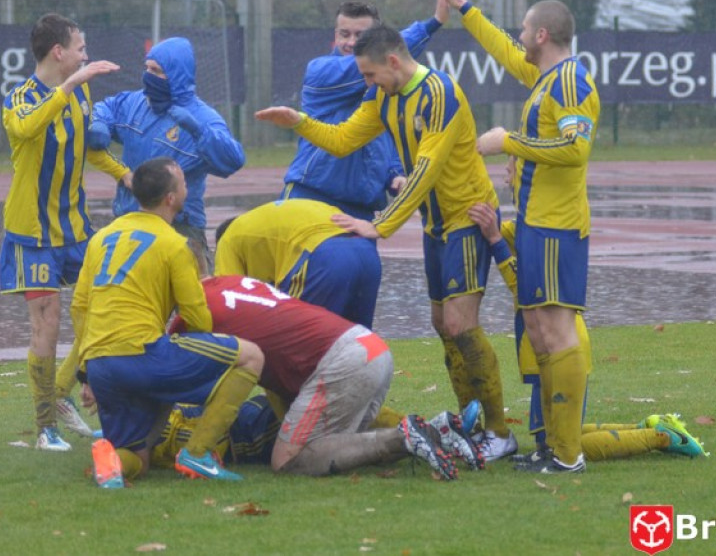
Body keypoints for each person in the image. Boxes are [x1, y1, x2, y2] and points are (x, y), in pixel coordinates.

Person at [256, 25, 517, 462]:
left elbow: (427, 169)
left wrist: (380, 225)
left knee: (460, 324)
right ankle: (469, 422)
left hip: (467, 218)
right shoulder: (383, 97)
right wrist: (300, 122)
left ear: (393, 61)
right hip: (435, 224)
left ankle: (498, 431)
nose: (366, 83)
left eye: (370, 74)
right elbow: (342, 140)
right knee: (441, 324)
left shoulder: (440, 93)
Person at [431, 0, 599, 474]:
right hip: (534, 223)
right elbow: (503, 51)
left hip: (556, 226)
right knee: (538, 331)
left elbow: (576, 148)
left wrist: (508, 142)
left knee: (556, 331)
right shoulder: (545, 77)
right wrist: (463, 7)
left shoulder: (570, 79)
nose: (520, 37)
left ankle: (568, 455)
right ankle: (551, 445)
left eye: (525, 29)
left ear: (543, 34)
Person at [168, 274, 483, 479]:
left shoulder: (193, 317)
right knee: (345, 446)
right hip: (367, 346)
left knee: (287, 461)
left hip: (342, 361)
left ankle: (403, 436)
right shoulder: (230, 282)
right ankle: (437, 430)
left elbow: (184, 388)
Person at [70, 157, 264, 482]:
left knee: (139, 459)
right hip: (143, 357)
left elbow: (79, 307)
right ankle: (198, 453)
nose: (187, 186)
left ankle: (113, 461)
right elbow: (197, 316)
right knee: (250, 356)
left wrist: (87, 369)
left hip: (101, 366)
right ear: (171, 199)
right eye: (184, 182)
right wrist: (208, 350)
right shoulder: (175, 245)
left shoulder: (101, 238)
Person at [468, 200, 708, 462]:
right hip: (551, 346)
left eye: (512, 165)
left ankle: (663, 438)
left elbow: (524, 286)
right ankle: (650, 427)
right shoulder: (531, 223)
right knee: (560, 434)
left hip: (559, 346)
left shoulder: (550, 230)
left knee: (560, 444)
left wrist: (494, 239)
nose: (506, 171)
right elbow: (500, 231)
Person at [0, 13, 132, 452]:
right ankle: (44, 429)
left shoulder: (82, 91)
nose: (86, 55)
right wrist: (71, 85)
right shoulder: (19, 98)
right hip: (32, 235)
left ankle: (60, 394)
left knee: (105, 303)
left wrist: (124, 175)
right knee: (47, 325)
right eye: (80, 47)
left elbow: (91, 151)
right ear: (59, 52)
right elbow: (27, 128)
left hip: (75, 231)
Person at [87, 36, 244, 273]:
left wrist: (199, 132)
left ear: (177, 75)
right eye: (147, 68)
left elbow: (233, 160)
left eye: (157, 71)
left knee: (197, 300)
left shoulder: (202, 118)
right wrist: (99, 123)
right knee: (135, 300)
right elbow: (107, 107)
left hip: (180, 225)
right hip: (132, 220)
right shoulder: (135, 103)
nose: (148, 75)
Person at [281, 0, 447, 221]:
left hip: (361, 209)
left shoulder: (385, 86)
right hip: (311, 196)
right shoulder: (321, 72)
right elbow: (377, 59)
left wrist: (395, 174)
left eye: (360, 35)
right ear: (335, 34)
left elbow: (384, 138)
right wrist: (433, 22)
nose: (351, 42)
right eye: (344, 34)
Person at [213, 198, 381, 328]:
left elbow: (228, 296)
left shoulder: (228, 238)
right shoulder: (264, 220)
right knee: (359, 339)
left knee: (295, 334)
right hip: (366, 252)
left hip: (324, 256)